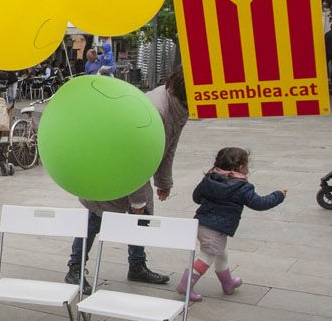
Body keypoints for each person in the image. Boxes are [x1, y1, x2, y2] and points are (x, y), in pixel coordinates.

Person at [65, 69, 190, 290]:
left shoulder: (178, 107)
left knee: (140, 219)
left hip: (130, 170)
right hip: (107, 168)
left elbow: (168, 147)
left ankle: (137, 266)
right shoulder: (157, 109)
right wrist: (138, 199)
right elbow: (135, 157)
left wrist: (164, 181)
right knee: (95, 218)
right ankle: (74, 268)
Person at [178, 147, 286, 301]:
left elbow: (196, 197)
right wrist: (278, 195)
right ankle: (185, 286)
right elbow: (259, 203)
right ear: (241, 168)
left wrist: (211, 200)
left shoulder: (209, 178)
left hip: (203, 224)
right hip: (216, 228)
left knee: (221, 253)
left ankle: (228, 283)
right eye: (247, 165)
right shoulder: (242, 187)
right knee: (207, 256)